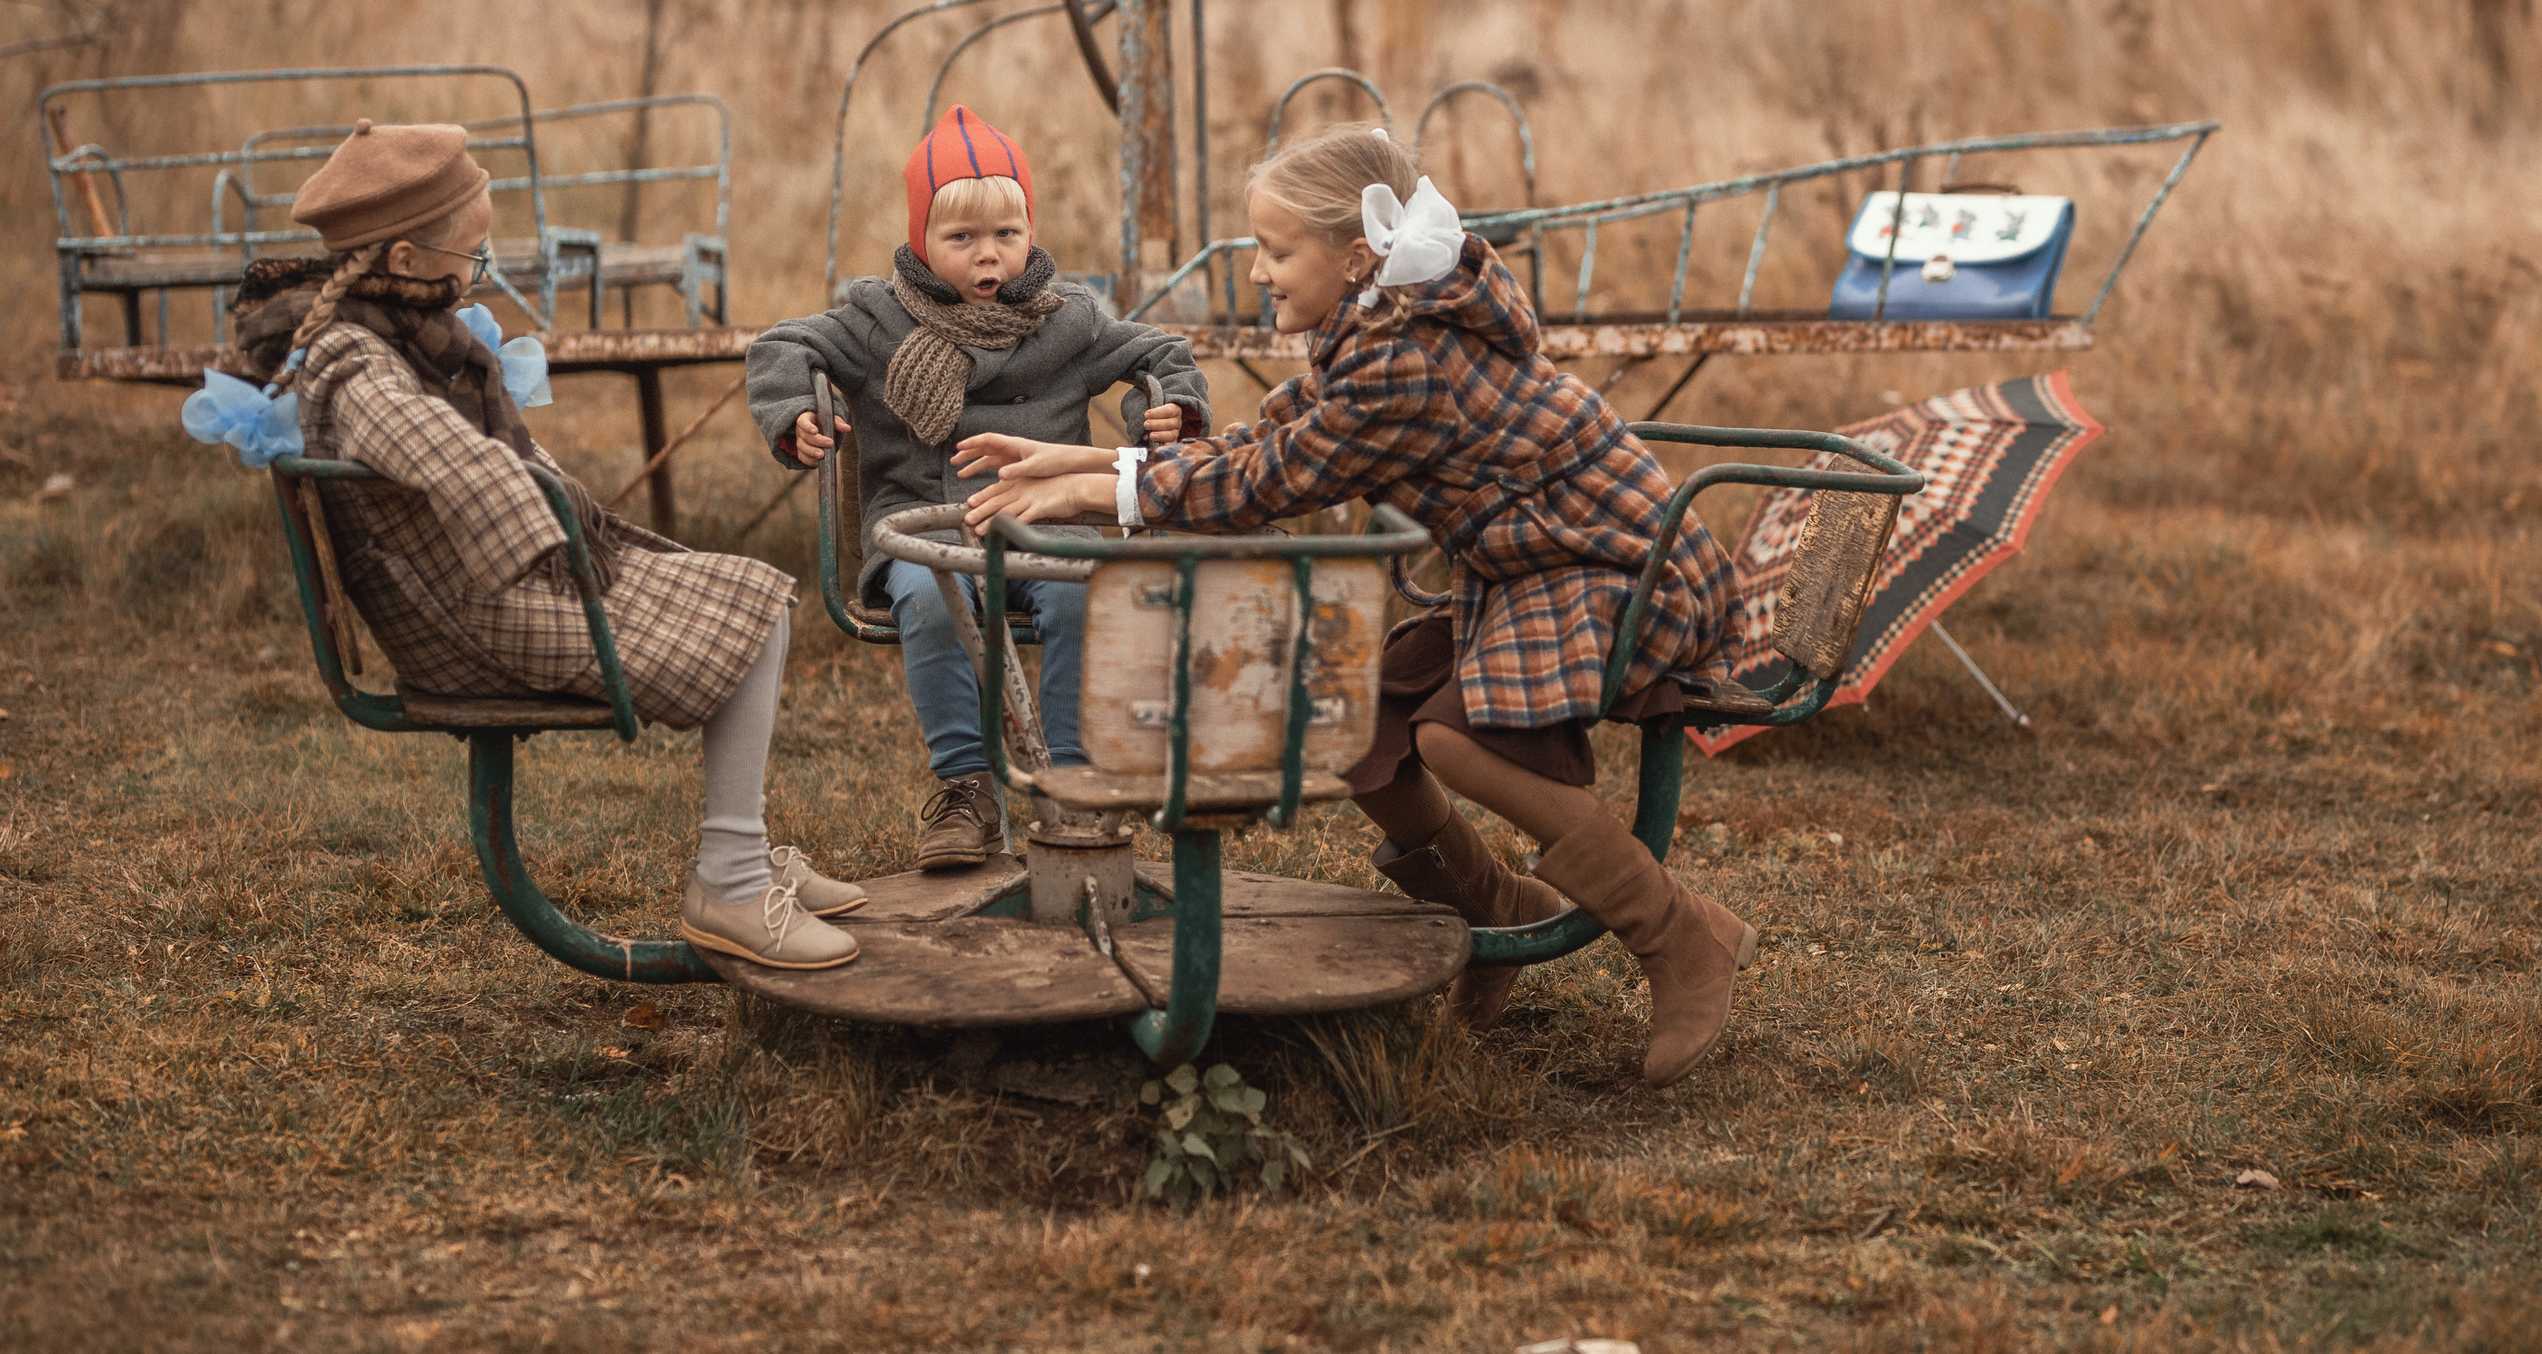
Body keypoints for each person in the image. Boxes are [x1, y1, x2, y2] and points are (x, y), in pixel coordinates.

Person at [956, 126, 1754, 1087]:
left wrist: (1102, 499)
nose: (1258, 271)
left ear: (1357, 256)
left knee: (1458, 736)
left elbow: (1271, 479)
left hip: (1619, 567)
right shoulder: (1372, 334)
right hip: (1534, 566)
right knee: (1364, 727)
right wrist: (1084, 462)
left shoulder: (1401, 362)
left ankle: (1674, 931)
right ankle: (1494, 905)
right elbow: (1269, 434)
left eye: (1276, 251)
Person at [228, 120, 863, 972]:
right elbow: (437, 452)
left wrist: (556, 505)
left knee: (751, 592)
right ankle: (733, 881)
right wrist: (551, 513)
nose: (481, 272)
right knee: (751, 615)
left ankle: (744, 852)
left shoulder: (397, 333)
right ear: (409, 262)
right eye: (475, 254)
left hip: (479, 590)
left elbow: (472, 448)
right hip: (470, 622)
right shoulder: (354, 361)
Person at [745, 105, 1212, 869]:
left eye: (1006, 234)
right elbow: (782, 345)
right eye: (961, 238)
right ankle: (966, 789)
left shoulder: (1066, 323)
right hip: (928, 525)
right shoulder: (879, 319)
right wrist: (796, 409)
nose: (986, 257)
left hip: (1044, 513)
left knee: (1078, 588)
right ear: (922, 241)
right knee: (933, 598)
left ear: (1030, 233)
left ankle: (1069, 781)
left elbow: (1160, 351)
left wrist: (1167, 405)